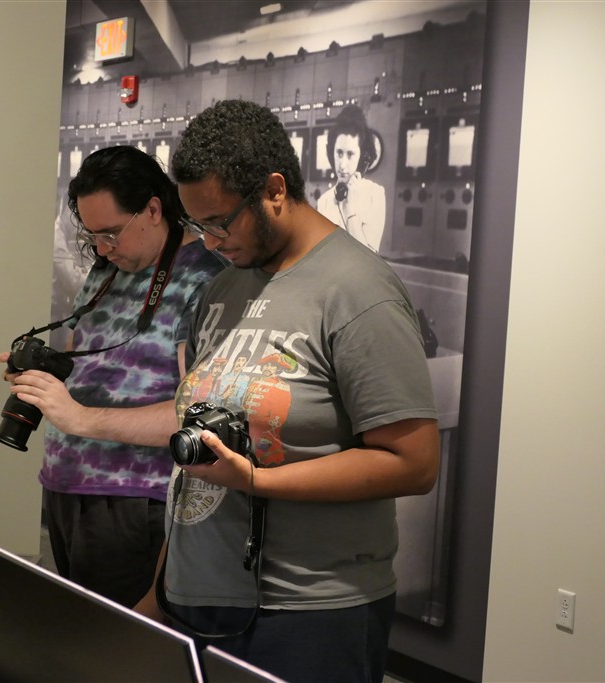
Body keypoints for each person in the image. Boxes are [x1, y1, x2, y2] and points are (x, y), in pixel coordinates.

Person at [134, 100, 440, 683]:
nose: (208, 243)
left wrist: (259, 481)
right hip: (197, 598)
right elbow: (193, 465)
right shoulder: (223, 288)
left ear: (274, 191)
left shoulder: (358, 291)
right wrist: (161, 587)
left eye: (219, 223)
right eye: (197, 226)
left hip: (308, 611)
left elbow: (414, 462)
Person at [2, 145, 224, 608]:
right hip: (67, 488)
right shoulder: (109, 269)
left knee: (120, 643)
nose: (102, 249)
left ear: (153, 209)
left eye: (111, 233)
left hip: (134, 500)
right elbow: (83, 359)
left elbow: (198, 417)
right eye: (92, 236)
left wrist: (80, 418)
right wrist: (41, 377)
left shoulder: (204, 279)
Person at [316, 104, 387, 253]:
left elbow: (366, 258)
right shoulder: (324, 202)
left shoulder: (375, 195)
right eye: (339, 153)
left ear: (363, 157)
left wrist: (350, 208)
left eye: (350, 154)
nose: (342, 164)